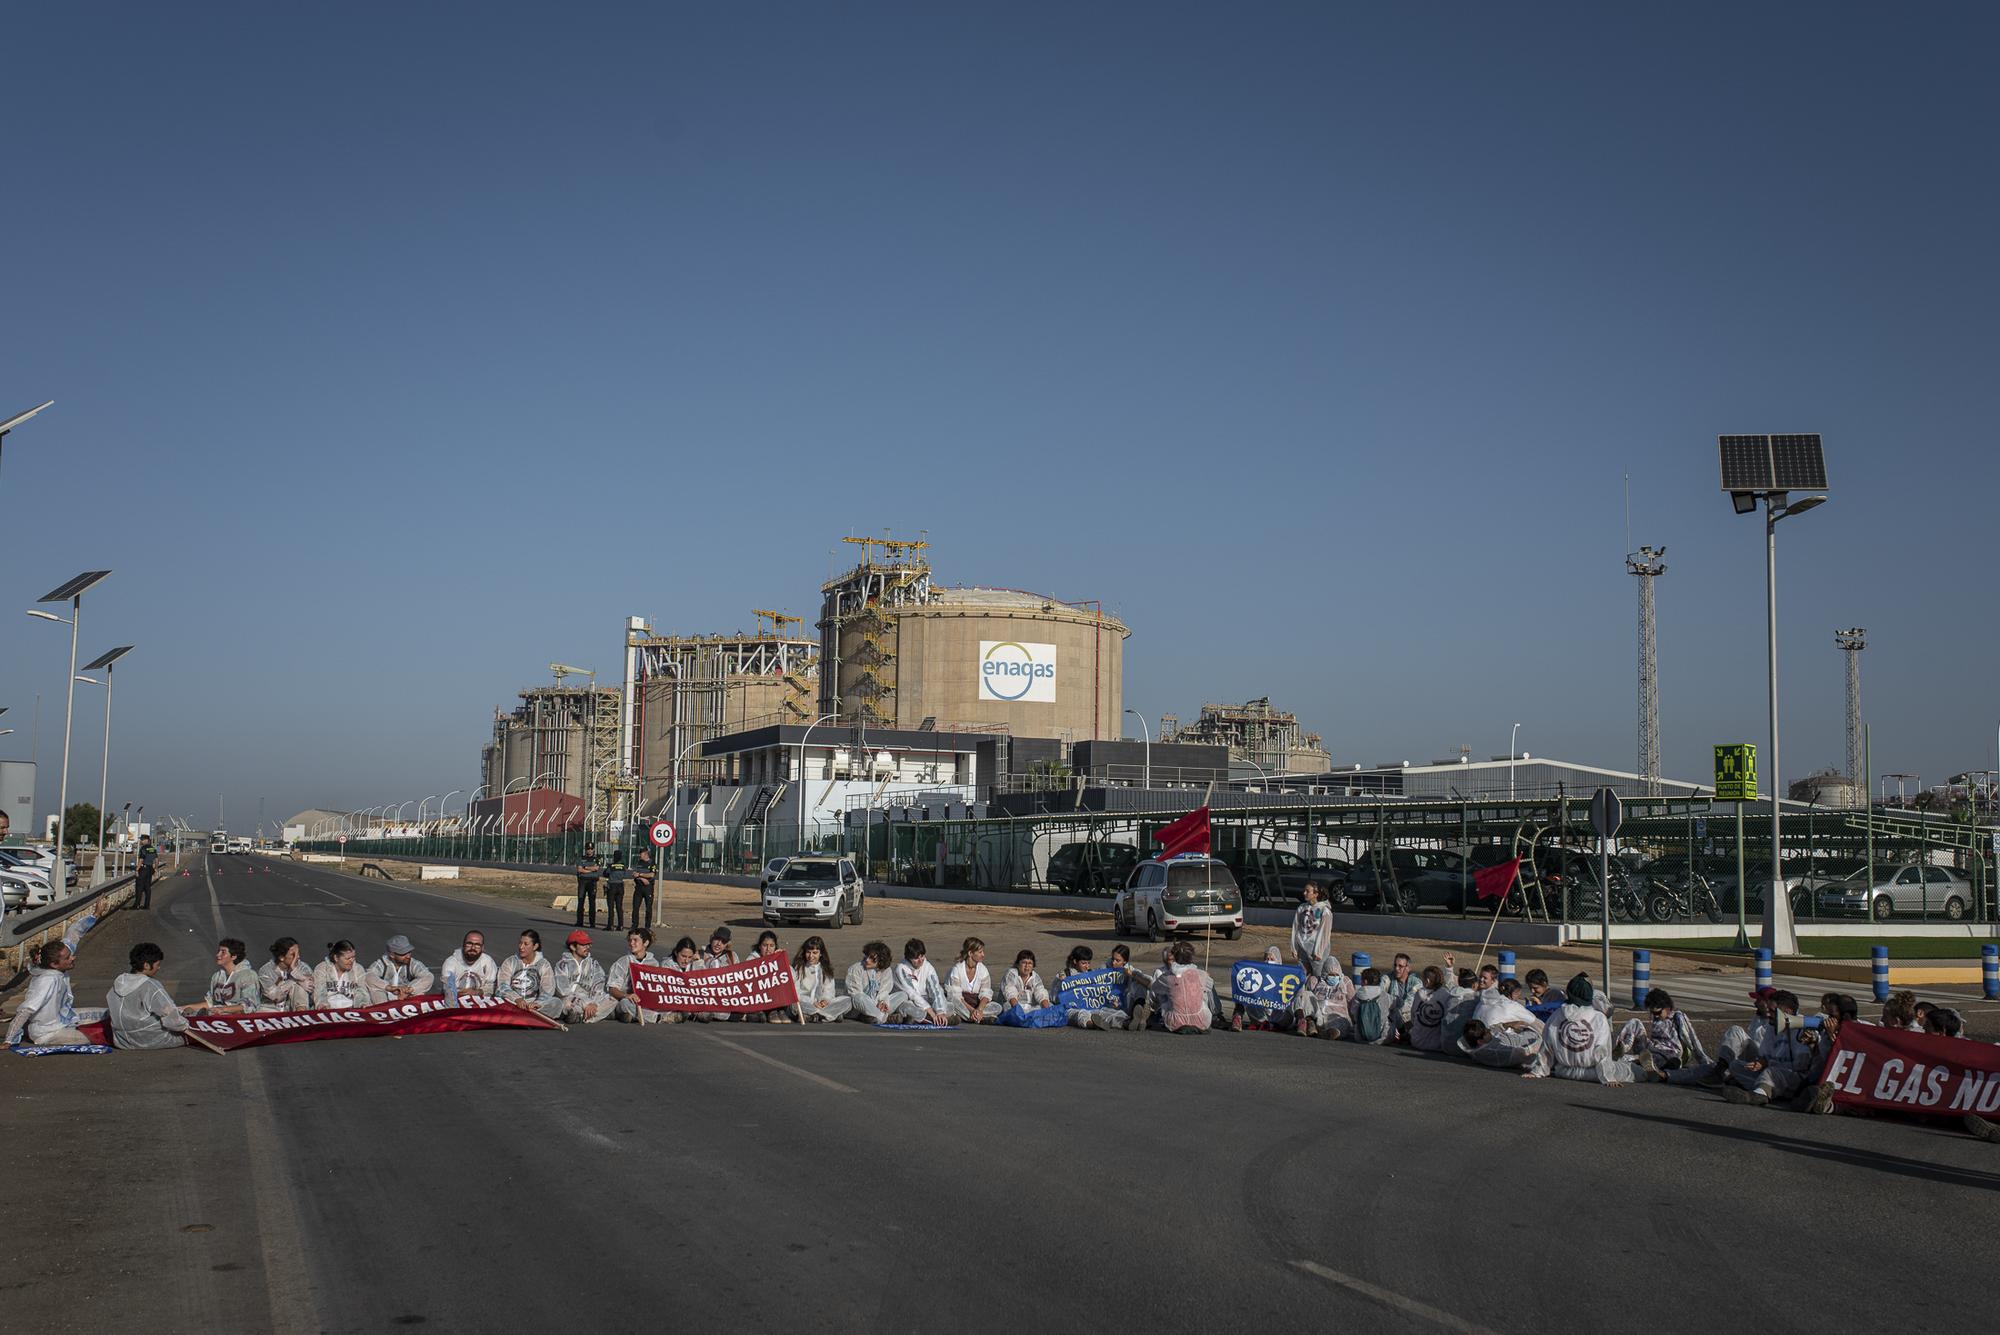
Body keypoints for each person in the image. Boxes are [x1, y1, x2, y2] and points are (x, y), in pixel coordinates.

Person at [5, 897, 108, 1046]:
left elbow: (73, 934)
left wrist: (96, 914)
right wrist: (9, 1039)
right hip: (48, 1033)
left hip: (65, 1019)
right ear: (54, 964)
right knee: (100, 1035)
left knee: (109, 1014)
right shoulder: (47, 980)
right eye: (68, 958)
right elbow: (26, 1009)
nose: (73, 957)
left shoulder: (56, 960)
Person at [1525, 974, 1635, 1085]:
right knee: (1631, 1071)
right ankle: (1637, 1064)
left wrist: (1538, 1071)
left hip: (1564, 1072)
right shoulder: (1598, 1018)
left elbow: (1546, 1047)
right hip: (1594, 1074)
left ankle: (1627, 1059)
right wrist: (1608, 1078)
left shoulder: (1556, 1015)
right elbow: (1602, 1050)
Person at [107, 943, 191, 1050]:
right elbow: (171, 1017)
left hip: (122, 1041)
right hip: (150, 1039)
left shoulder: (117, 984)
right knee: (185, 1034)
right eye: (157, 964)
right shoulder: (150, 985)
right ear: (146, 965)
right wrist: (186, 1024)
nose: (159, 968)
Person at [1616, 989, 1710, 1081]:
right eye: (1652, 1013)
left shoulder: (1678, 1017)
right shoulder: (1657, 1019)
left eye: (1658, 1012)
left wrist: (1706, 1063)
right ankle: (1619, 1049)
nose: (1655, 1016)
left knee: (1638, 1059)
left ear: (1667, 1008)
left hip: (1669, 1054)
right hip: (1651, 1051)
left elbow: (1692, 1039)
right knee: (1635, 1022)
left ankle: (1647, 1065)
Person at [1147, 941, 1219, 1033]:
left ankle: (1157, 1014)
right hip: (1201, 1021)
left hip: (1174, 1022)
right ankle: (1215, 1013)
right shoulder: (1201, 974)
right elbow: (1210, 985)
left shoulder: (1167, 977)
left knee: (1162, 992)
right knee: (1204, 989)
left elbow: (1154, 990)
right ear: (1191, 957)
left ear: (1175, 957)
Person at [496, 929, 560, 1018]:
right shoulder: (510, 961)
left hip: (532, 1005)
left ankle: (530, 1015)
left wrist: (537, 1003)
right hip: (512, 1002)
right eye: (520, 943)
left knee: (556, 1003)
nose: (521, 947)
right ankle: (532, 1018)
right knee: (497, 999)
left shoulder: (544, 964)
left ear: (535, 946)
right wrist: (516, 998)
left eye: (526, 944)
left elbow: (547, 991)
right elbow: (502, 986)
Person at [553, 929, 613, 1023]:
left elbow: (598, 985)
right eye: (583, 945)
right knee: (565, 1003)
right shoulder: (562, 965)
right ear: (573, 947)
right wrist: (585, 1003)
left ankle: (582, 1015)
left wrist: (594, 1003)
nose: (587, 947)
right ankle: (594, 1014)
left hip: (590, 1000)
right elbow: (563, 991)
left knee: (612, 999)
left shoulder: (593, 964)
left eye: (588, 944)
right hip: (570, 999)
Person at [608, 927, 661, 1023]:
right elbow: (612, 989)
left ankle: (631, 1016)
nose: (631, 943)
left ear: (646, 943)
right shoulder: (623, 961)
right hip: (627, 999)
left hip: (646, 1001)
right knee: (624, 1004)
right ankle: (655, 1018)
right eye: (630, 940)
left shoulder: (654, 963)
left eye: (635, 940)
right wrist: (627, 995)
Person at [891, 938, 949, 1025]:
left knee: (948, 1005)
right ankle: (934, 1020)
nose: (920, 960)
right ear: (909, 958)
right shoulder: (901, 968)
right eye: (916, 958)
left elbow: (935, 989)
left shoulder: (928, 966)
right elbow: (912, 993)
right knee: (907, 1008)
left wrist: (940, 1011)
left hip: (926, 1000)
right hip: (910, 1001)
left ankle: (937, 1018)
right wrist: (931, 1012)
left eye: (922, 956)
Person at [1295, 956, 1355, 1040]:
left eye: (1336, 975)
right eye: (1331, 975)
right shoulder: (1315, 981)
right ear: (1325, 973)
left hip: (1335, 1016)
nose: (1334, 977)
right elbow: (1305, 1001)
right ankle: (1309, 1022)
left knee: (1342, 1024)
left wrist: (1355, 1021)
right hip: (1318, 1015)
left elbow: (1352, 1003)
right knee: (1306, 994)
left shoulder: (1345, 982)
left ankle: (1326, 1032)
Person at [793, 936, 849, 1022]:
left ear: (821, 953)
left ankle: (815, 1016)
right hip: (805, 1002)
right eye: (808, 952)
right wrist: (812, 1002)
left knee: (847, 1000)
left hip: (821, 1005)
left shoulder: (825, 969)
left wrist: (825, 1000)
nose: (811, 956)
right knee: (794, 1005)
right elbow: (796, 993)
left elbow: (829, 990)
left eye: (815, 953)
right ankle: (828, 1015)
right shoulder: (799, 968)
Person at [365, 934, 435, 1003]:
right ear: (392, 955)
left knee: (419, 991)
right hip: (387, 996)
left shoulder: (412, 963)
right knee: (375, 990)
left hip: (406, 995)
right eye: (403, 953)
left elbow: (428, 976)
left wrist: (410, 989)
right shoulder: (381, 963)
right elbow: (369, 976)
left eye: (409, 952)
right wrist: (389, 988)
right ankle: (383, 1009)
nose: (408, 956)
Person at [946, 937, 1000, 1024]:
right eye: (980, 952)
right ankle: (979, 1018)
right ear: (970, 953)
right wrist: (972, 1010)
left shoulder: (983, 969)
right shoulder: (957, 969)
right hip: (962, 1003)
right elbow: (956, 996)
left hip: (976, 1004)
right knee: (952, 1002)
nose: (983, 955)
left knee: (997, 1007)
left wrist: (979, 1009)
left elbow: (986, 993)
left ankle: (971, 1017)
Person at [844, 940, 898, 1024]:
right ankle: (885, 1018)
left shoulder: (887, 971)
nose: (867, 960)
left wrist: (883, 1002)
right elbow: (855, 994)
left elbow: (884, 991)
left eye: (872, 959)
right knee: (859, 997)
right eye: (867, 956)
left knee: (903, 995)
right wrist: (875, 1005)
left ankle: (871, 1016)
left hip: (877, 1005)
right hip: (858, 1007)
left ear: (881, 960)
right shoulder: (855, 969)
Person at [203, 939, 263, 1014]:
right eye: (218, 951)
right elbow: (210, 1003)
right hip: (219, 1018)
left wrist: (223, 1009)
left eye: (223, 952)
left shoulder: (248, 975)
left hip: (241, 1019)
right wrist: (188, 1008)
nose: (218, 955)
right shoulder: (217, 976)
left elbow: (250, 1005)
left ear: (234, 956)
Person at [258, 937, 315, 1012]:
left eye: (298, 953)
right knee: (298, 982)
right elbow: (275, 996)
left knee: (299, 986)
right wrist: (294, 980)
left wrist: (294, 970)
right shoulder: (265, 971)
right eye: (293, 954)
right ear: (281, 957)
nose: (298, 957)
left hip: (290, 1008)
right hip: (270, 1010)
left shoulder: (302, 966)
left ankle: (301, 1013)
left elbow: (310, 985)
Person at [1290, 882, 1333, 977]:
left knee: (1317, 976)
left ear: (1316, 894)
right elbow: (1295, 927)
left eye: (1307, 891)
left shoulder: (1324, 911)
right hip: (1302, 949)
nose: (1304, 893)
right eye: (1304, 891)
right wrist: (1294, 947)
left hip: (1315, 951)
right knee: (1302, 976)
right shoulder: (1301, 908)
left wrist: (1319, 952)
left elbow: (1324, 933)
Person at [1406, 966, 1453, 1053]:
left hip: (1417, 1042)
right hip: (1438, 1044)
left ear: (1427, 981)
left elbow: (1413, 1016)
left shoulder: (1419, 993)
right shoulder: (1446, 994)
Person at [440, 931, 499, 1000]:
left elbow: (492, 986)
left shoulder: (488, 961)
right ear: (463, 945)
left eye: (477, 945)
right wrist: (461, 994)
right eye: (469, 944)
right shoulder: (451, 962)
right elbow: (447, 987)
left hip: (480, 1001)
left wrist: (477, 992)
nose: (473, 948)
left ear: (482, 947)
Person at [312, 941, 371, 1009]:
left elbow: (361, 991)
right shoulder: (322, 968)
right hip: (328, 1010)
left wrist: (362, 1003)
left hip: (351, 1009)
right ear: (336, 958)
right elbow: (320, 991)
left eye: (353, 957)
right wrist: (322, 1005)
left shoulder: (358, 969)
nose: (352, 961)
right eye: (347, 958)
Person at [747, 930, 790, 1022]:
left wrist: (781, 960)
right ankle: (771, 1011)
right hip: (760, 996)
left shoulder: (777, 956)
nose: (768, 949)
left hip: (777, 997)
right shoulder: (752, 959)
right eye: (765, 945)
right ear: (759, 946)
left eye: (771, 946)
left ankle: (781, 1010)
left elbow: (791, 977)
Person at [1382, 952, 1420, 1040]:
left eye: (1400, 966)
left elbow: (1409, 1004)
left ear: (1408, 968)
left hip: (1408, 1020)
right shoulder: (1387, 978)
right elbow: (1380, 995)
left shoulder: (1416, 983)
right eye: (1395, 965)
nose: (1396, 968)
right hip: (1390, 1018)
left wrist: (1393, 1010)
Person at [574, 843, 604, 929]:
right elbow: (579, 869)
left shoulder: (597, 858)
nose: (589, 850)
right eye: (588, 849)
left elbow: (596, 868)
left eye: (591, 849)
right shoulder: (581, 858)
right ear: (585, 849)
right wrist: (591, 869)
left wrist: (586, 868)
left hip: (592, 882)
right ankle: (579, 922)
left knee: (592, 902)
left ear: (593, 849)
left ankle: (592, 923)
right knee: (581, 900)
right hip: (583, 881)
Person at [630, 847, 657, 931]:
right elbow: (635, 874)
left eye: (641, 854)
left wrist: (640, 875)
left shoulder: (652, 863)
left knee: (648, 907)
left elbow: (652, 875)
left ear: (645, 854)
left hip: (648, 888)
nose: (640, 855)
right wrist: (641, 878)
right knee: (635, 907)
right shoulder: (639, 862)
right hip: (638, 887)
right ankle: (634, 925)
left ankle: (647, 926)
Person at [603, 844, 629, 932]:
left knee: (611, 906)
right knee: (619, 906)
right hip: (620, 886)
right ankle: (620, 925)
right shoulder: (623, 866)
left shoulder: (611, 866)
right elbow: (625, 874)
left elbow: (605, 873)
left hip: (612, 886)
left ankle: (610, 925)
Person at [133, 835, 157, 909]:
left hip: (143, 869)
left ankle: (137, 905)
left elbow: (141, 860)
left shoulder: (143, 848)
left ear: (146, 840)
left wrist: (137, 869)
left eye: (142, 840)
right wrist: (155, 869)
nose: (141, 841)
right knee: (147, 888)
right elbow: (156, 860)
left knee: (139, 887)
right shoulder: (153, 848)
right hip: (150, 869)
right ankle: (146, 905)